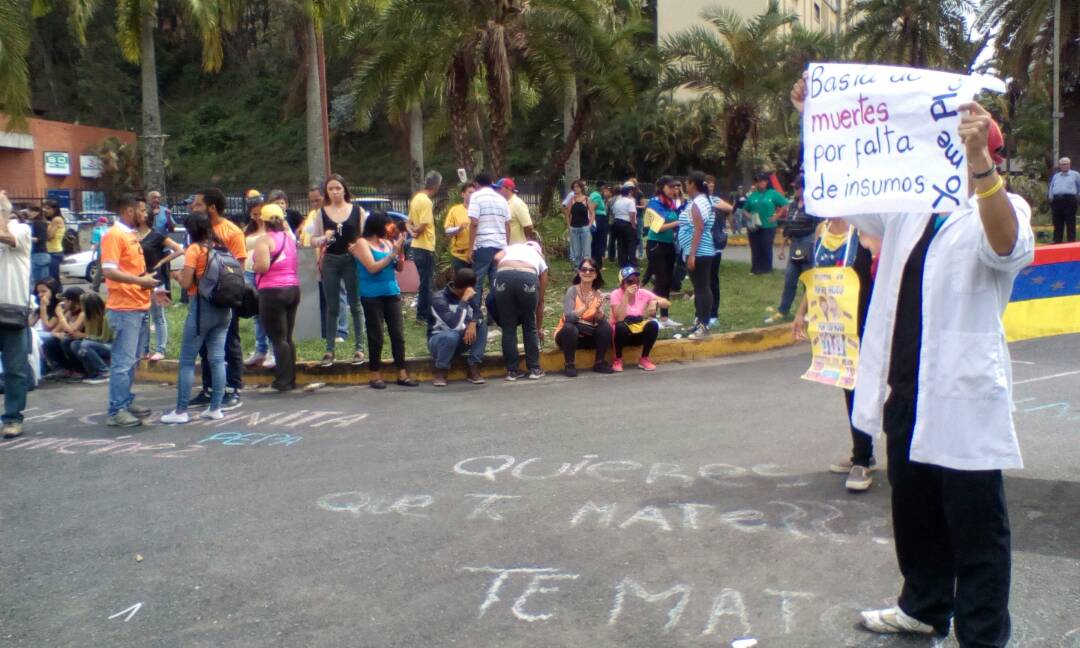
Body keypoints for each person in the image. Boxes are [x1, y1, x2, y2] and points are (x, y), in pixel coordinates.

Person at [792, 76, 1035, 646]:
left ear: (988, 151)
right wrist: (817, 116)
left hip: (959, 392)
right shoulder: (910, 208)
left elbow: (1007, 248)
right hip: (903, 385)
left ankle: (982, 635)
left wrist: (980, 169)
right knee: (915, 509)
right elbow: (845, 195)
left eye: (971, 144)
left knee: (977, 522)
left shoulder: (1001, 207)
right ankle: (923, 605)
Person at [793, 216, 876, 491]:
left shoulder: (863, 228)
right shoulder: (822, 230)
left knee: (868, 386)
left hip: (865, 320)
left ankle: (864, 458)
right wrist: (802, 311)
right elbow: (819, 278)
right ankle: (863, 453)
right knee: (848, 384)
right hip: (833, 323)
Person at [161, 212, 234, 424]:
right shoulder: (220, 247)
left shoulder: (195, 249)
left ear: (192, 231)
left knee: (186, 361)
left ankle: (181, 410)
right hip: (224, 309)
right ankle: (215, 408)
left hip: (202, 308)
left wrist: (176, 276)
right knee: (218, 359)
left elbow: (186, 283)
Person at [99, 194, 159, 427]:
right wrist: (140, 281)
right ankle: (116, 410)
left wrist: (147, 283)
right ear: (129, 211)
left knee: (132, 360)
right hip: (124, 308)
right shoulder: (114, 235)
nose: (145, 215)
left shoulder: (129, 235)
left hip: (138, 305)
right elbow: (110, 271)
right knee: (123, 362)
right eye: (142, 211)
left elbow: (130, 271)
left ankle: (124, 400)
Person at [186, 189, 246, 411]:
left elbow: (238, 267)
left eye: (199, 204)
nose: (194, 207)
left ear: (212, 207)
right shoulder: (198, 229)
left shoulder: (232, 232)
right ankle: (209, 388)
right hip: (199, 297)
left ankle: (233, 387)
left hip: (224, 297)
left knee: (229, 343)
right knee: (204, 346)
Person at [352, 211, 417, 389]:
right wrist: (392, 254)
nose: (390, 229)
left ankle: (402, 373)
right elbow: (372, 267)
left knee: (397, 334)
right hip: (371, 294)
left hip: (391, 292)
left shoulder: (387, 243)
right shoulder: (362, 243)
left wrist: (400, 250)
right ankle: (375, 373)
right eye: (387, 226)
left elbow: (400, 267)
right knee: (376, 336)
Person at [308, 174, 366, 366]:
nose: (334, 192)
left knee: (355, 304)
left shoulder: (357, 211)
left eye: (338, 188)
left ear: (344, 190)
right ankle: (330, 349)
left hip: (351, 259)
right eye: (330, 189)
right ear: (327, 192)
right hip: (331, 260)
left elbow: (365, 236)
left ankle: (359, 347)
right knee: (332, 306)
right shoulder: (321, 213)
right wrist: (323, 238)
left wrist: (358, 246)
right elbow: (312, 239)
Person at [252, 203, 301, 393]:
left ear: (262, 221)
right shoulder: (289, 238)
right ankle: (291, 379)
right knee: (288, 337)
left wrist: (253, 265)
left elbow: (263, 266)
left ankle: (282, 381)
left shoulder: (264, 240)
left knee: (278, 338)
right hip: (292, 288)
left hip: (272, 291)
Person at [766, 177, 820, 325]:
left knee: (807, 280)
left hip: (808, 242)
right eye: (794, 188)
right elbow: (788, 228)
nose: (795, 191)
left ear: (804, 189)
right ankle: (783, 310)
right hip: (795, 244)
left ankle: (811, 311)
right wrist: (783, 248)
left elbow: (819, 228)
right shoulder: (793, 206)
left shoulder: (813, 207)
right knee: (790, 278)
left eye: (798, 188)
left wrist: (815, 246)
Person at [0, 189, 32, 438]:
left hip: (12, 311)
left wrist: (3, 209)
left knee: (15, 370)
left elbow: (5, 237)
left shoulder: (20, 228)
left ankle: (12, 418)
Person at [299, 185, 349, 343]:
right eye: (312, 200)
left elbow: (340, 235)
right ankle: (324, 330)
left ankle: (341, 330)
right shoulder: (313, 214)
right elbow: (307, 235)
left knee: (337, 294)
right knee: (321, 297)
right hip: (313, 261)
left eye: (317, 199)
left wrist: (326, 242)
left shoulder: (333, 213)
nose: (314, 203)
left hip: (332, 257)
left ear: (325, 196)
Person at [492, 241, 549, 381]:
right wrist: (539, 327)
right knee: (529, 325)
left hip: (503, 275)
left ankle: (512, 371)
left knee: (508, 327)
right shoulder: (539, 257)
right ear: (539, 251)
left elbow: (497, 258)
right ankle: (534, 369)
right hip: (527, 276)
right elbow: (540, 302)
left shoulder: (512, 248)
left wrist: (507, 271)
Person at [136, 199, 184, 362]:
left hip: (156, 280)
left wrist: (163, 261)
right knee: (142, 318)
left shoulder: (156, 235)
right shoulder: (131, 236)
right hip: (138, 280)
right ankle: (143, 350)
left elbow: (179, 249)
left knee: (157, 315)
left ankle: (160, 349)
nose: (141, 214)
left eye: (143, 212)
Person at [428, 267, 488, 386]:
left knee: (482, 326)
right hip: (439, 342)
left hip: (461, 340)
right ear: (466, 288)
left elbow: (478, 313)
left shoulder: (467, 295)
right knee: (451, 335)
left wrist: (473, 322)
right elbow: (454, 325)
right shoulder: (439, 299)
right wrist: (464, 300)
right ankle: (441, 371)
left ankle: (473, 366)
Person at [555, 258, 614, 377]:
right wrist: (585, 306)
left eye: (591, 270)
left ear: (596, 274)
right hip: (567, 336)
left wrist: (598, 312)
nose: (587, 272)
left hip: (586, 335)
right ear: (579, 272)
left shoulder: (598, 294)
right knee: (570, 327)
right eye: (584, 269)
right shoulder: (572, 291)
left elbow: (600, 321)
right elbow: (569, 318)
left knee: (605, 327)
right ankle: (569, 364)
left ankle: (599, 362)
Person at [678, 172, 718, 339]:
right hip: (698, 250)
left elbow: (699, 228)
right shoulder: (700, 201)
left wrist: (692, 254)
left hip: (699, 252)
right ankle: (699, 322)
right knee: (699, 288)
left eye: (687, 183)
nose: (685, 186)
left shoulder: (699, 202)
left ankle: (704, 325)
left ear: (692, 184)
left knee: (702, 288)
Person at [609, 266, 668, 372]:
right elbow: (619, 318)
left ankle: (644, 358)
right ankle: (618, 359)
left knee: (653, 324)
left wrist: (655, 302)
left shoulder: (642, 293)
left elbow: (666, 303)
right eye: (630, 281)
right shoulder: (616, 294)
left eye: (636, 281)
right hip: (622, 335)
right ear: (622, 283)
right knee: (620, 326)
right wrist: (626, 296)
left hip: (637, 331)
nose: (634, 284)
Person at [643, 177, 682, 329]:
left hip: (669, 245)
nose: (674, 190)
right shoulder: (654, 203)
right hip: (656, 245)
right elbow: (657, 227)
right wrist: (678, 222)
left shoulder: (671, 204)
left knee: (667, 281)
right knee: (660, 280)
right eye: (671, 187)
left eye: (676, 187)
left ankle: (665, 317)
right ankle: (652, 318)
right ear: (661, 187)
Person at [467, 173, 512, 301]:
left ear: (476, 184)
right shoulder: (502, 199)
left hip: (483, 245)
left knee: (477, 282)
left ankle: (475, 317)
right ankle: (494, 316)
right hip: (500, 246)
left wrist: (470, 248)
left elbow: (474, 223)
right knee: (496, 282)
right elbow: (508, 225)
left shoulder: (476, 197)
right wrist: (506, 247)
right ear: (491, 182)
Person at [408, 170, 442, 327]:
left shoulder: (416, 199)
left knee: (424, 282)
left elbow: (408, 222)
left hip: (416, 247)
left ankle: (424, 314)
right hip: (426, 247)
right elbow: (423, 226)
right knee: (427, 284)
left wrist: (411, 232)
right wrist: (416, 231)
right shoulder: (426, 202)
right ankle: (423, 316)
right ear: (436, 185)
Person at [243, 199, 273, 369]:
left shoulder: (272, 229)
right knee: (256, 314)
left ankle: (271, 350)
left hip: (265, 273)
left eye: (260, 214)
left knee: (269, 313)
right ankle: (260, 349)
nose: (257, 218)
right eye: (254, 214)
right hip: (249, 272)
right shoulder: (247, 230)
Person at [744, 172, 789, 274]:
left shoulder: (772, 193)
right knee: (755, 247)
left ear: (766, 182)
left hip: (768, 226)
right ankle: (755, 269)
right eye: (757, 181)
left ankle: (766, 269)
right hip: (754, 225)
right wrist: (749, 216)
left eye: (761, 181)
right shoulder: (752, 195)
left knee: (766, 247)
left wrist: (777, 216)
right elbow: (745, 209)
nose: (759, 183)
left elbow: (785, 204)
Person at [704, 175, 734, 328]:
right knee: (703, 282)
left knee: (713, 281)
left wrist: (712, 205)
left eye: (712, 183)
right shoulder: (697, 200)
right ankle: (703, 314)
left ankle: (714, 314)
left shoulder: (713, 200)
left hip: (714, 245)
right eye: (707, 183)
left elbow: (729, 208)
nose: (710, 186)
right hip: (701, 248)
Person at [68, 292, 113, 385]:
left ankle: (105, 372)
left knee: (85, 344)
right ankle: (92, 372)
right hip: (98, 343)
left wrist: (85, 336)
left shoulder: (107, 316)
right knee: (75, 344)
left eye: (82, 304)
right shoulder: (89, 316)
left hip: (113, 346)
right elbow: (91, 334)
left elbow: (105, 339)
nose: (80, 306)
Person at [563, 180, 595, 268]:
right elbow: (567, 214)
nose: (575, 188)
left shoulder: (587, 199)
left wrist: (590, 225)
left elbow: (592, 213)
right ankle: (577, 268)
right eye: (574, 187)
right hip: (574, 228)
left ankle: (586, 267)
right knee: (576, 252)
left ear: (581, 188)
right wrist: (569, 225)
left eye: (577, 187)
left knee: (586, 252)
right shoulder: (571, 200)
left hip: (584, 228)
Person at [1048, 156, 1080, 243]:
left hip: (1070, 200)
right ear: (1060, 166)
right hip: (1057, 200)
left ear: (1070, 165)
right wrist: (1050, 197)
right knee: (1057, 222)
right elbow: (1051, 186)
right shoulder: (1056, 176)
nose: (1064, 166)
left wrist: (1078, 198)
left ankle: (1071, 241)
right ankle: (1057, 241)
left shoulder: (1075, 175)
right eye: (1062, 164)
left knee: (1070, 221)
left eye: (1066, 164)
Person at [445, 183, 474, 271]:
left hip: (475, 255)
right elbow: (447, 231)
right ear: (463, 194)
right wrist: (459, 228)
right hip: (459, 256)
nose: (472, 195)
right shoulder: (455, 210)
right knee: (461, 283)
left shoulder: (479, 210)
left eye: (474, 193)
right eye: (470, 192)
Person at [497, 177, 535, 244]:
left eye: (499, 188)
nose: (497, 191)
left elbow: (528, 226)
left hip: (517, 249)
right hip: (505, 248)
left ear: (508, 188)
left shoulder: (517, 203)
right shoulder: (503, 203)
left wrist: (526, 241)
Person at [610, 182, 639, 268]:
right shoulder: (630, 202)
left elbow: (613, 212)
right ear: (629, 192)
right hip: (627, 223)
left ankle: (622, 262)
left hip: (617, 222)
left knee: (621, 243)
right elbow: (632, 214)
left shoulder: (617, 201)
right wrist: (633, 225)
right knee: (631, 243)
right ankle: (633, 262)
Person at [589, 181, 609, 270]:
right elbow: (592, 207)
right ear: (602, 188)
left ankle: (594, 261)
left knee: (595, 241)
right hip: (600, 219)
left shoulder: (592, 194)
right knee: (600, 241)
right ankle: (598, 263)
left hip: (597, 218)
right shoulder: (597, 195)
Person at [44, 199, 66, 281]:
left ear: (55, 209)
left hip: (54, 252)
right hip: (52, 251)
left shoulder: (56, 219)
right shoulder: (52, 220)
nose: (45, 210)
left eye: (48, 208)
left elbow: (50, 236)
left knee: (52, 278)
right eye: (44, 208)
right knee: (52, 277)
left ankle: (56, 293)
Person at [29, 206, 51, 285]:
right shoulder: (42, 222)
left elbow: (41, 238)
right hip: (43, 253)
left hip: (38, 254)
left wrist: (27, 238)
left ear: (37, 212)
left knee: (38, 281)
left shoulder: (37, 222)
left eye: (31, 211)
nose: (29, 213)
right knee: (44, 280)